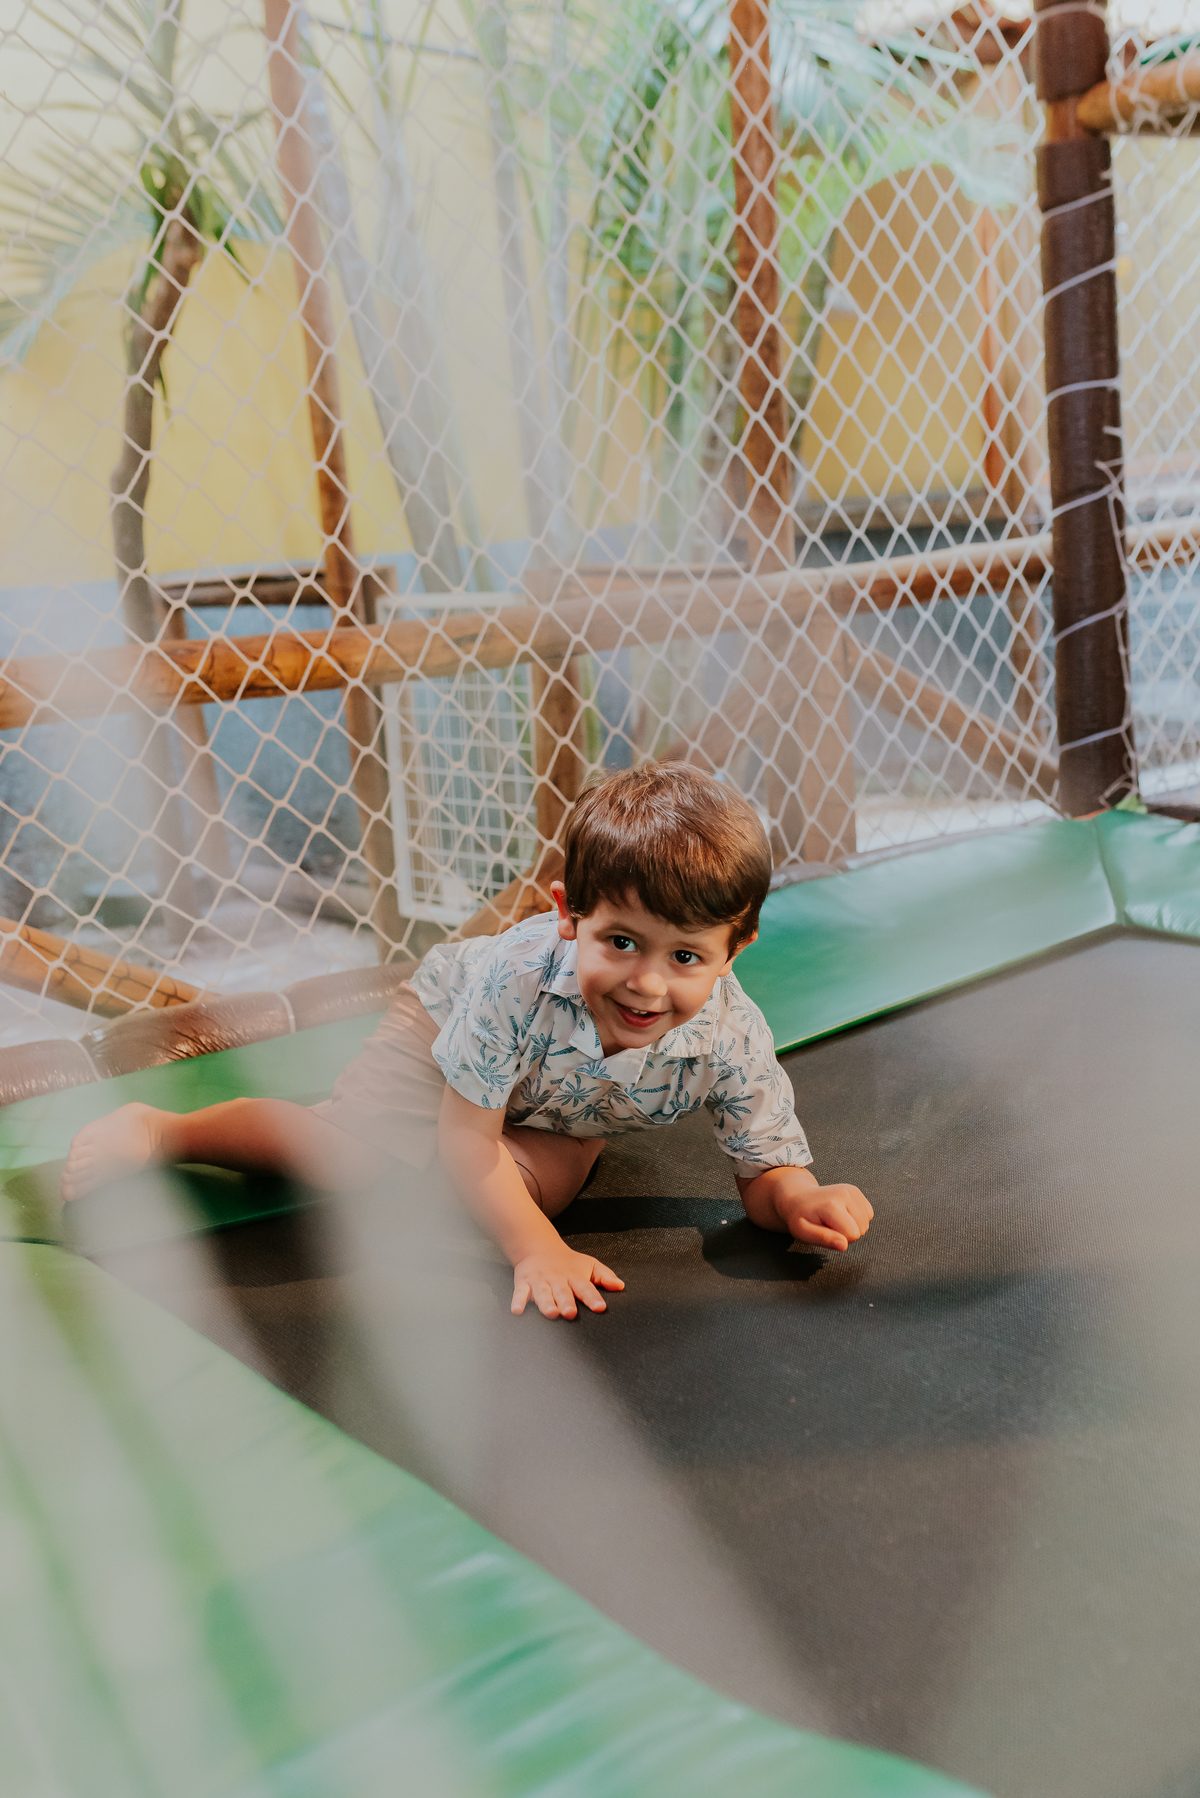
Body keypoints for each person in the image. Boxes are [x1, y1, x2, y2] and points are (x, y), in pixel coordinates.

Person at [62, 764, 872, 1319]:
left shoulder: (732, 1037)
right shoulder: (514, 981)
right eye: (620, 941)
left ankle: (525, 1173)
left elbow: (766, 1172)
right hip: (444, 1034)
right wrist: (538, 1252)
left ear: (738, 949)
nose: (646, 984)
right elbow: (465, 1137)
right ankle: (165, 1129)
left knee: (498, 1195)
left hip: (559, 1103)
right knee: (361, 1161)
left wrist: (802, 1203)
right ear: (570, 914)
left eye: (685, 956)